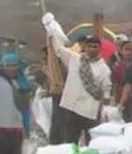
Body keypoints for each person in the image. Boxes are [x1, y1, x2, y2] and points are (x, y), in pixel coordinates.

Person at [43, 14, 111, 144]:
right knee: (70, 142)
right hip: (72, 108)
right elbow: (59, 50)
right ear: (85, 47)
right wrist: (51, 32)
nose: (92, 49)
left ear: (99, 49)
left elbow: (106, 89)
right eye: (89, 46)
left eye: (95, 46)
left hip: (90, 110)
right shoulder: (75, 59)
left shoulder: (104, 69)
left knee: (92, 142)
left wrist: (106, 108)